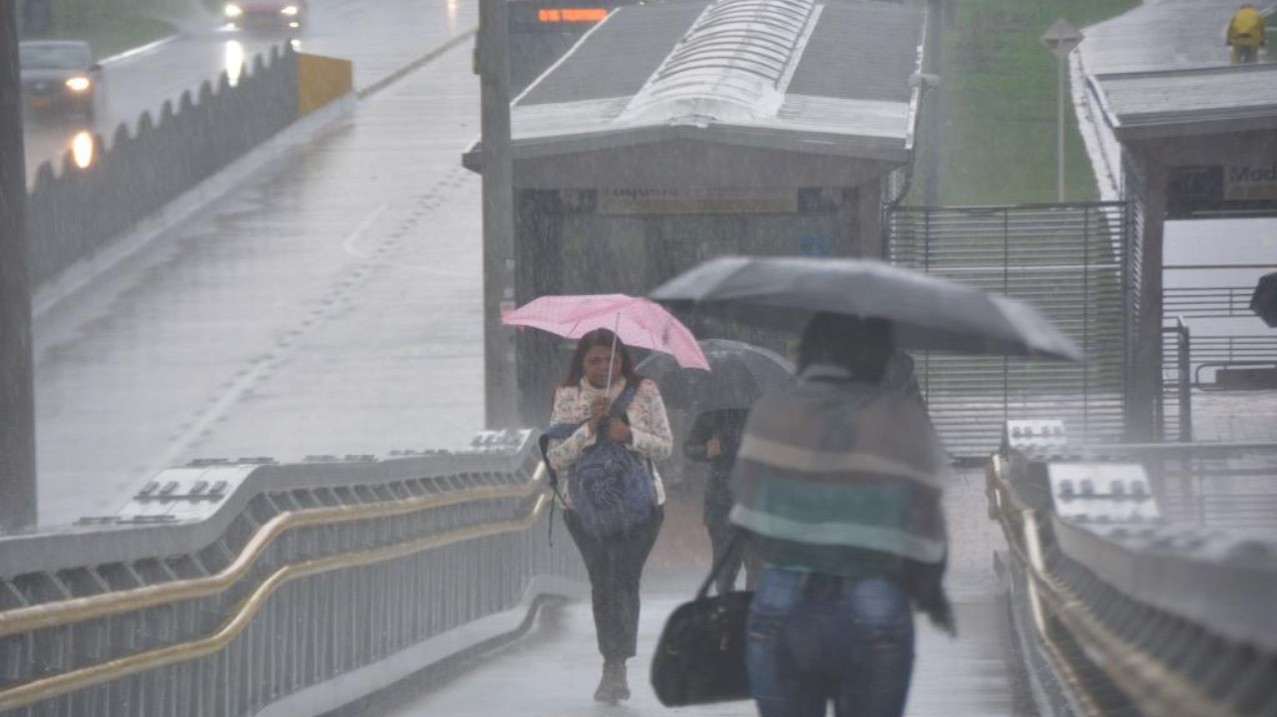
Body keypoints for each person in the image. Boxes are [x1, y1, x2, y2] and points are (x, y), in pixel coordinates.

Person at [730, 313, 954, 717]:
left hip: (783, 598)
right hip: (876, 599)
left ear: (812, 350)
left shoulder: (773, 411)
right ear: (880, 354)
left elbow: (746, 507)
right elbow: (926, 523)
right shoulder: (902, 418)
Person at [544, 328, 672, 703]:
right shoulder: (568, 396)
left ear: (623, 360)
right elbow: (555, 457)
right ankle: (611, 663)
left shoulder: (644, 391)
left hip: (641, 507)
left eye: (610, 359)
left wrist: (627, 434)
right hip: (585, 509)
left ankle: (618, 663)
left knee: (624, 579)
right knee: (603, 580)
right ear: (581, 363)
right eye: (594, 360)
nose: (603, 366)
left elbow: (664, 446)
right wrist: (588, 429)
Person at [683, 407, 761, 595]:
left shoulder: (763, 416)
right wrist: (706, 450)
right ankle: (727, 615)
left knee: (757, 570)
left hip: (756, 501)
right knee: (724, 572)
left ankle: (752, 617)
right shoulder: (710, 415)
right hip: (721, 501)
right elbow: (689, 448)